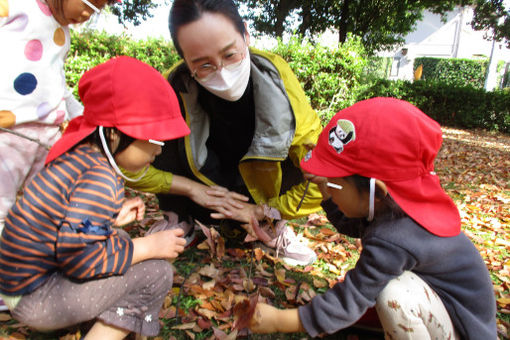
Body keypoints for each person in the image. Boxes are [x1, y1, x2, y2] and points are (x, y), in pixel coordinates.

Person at [248, 97, 497, 339]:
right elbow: (352, 223)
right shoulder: (397, 209)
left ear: (375, 191)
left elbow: (352, 297)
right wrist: (326, 190)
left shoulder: (396, 236)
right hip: (440, 304)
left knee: (393, 296)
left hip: (463, 328)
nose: (329, 189)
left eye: (334, 184)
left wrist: (280, 320)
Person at [0, 56, 191, 339]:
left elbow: (68, 223)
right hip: (38, 300)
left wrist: (110, 219)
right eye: (153, 138)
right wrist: (149, 246)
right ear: (114, 135)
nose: (159, 149)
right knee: (156, 273)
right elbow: (81, 259)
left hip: (20, 285)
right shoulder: (100, 177)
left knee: (122, 243)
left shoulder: (82, 156)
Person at [123, 0, 323, 266]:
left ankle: (271, 225)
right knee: (159, 140)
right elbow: (125, 164)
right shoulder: (170, 87)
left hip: (261, 190)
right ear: (185, 62)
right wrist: (191, 190)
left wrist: (268, 210)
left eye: (230, 55)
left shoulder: (277, 79)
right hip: (203, 186)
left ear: (246, 35)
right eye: (203, 65)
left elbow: (328, 170)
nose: (222, 73)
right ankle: (180, 218)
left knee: (303, 153)